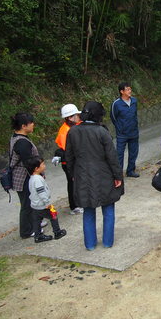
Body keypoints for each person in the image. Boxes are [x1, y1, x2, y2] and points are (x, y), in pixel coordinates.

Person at [66, 101, 124, 250]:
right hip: (104, 175)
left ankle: (90, 245)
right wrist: (118, 176)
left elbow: (69, 157)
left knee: (88, 209)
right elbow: (112, 157)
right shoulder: (101, 131)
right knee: (108, 209)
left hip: (82, 175)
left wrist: (73, 175)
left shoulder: (72, 132)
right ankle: (107, 242)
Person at [9, 113, 40, 239]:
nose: (33, 125)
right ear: (23, 126)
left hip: (21, 176)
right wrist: (37, 175)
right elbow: (28, 162)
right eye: (31, 123)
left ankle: (33, 224)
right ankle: (26, 231)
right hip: (23, 178)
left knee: (30, 201)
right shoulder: (22, 142)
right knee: (27, 204)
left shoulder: (16, 137)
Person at [25, 156, 67, 243]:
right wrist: (47, 203)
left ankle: (38, 236)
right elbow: (41, 192)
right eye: (43, 164)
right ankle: (57, 232)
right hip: (42, 205)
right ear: (36, 168)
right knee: (53, 216)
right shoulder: (38, 180)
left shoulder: (31, 178)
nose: (44, 166)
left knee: (37, 221)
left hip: (35, 205)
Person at [53, 104, 84, 214]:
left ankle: (78, 203)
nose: (78, 117)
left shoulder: (71, 127)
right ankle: (74, 206)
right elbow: (70, 149)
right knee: (73, 182)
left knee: (76, 182)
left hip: (73, 160)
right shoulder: (65, 131)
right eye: (76, 115)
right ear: (70, 117)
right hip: (69, 161)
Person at [110, 82, 140, 178]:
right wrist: (120, 127)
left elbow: (135, 115)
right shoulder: (116, 104)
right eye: (127, 89)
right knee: (119, 154)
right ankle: (118, 174)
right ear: (121, 91)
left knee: (133, 152)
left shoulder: (134, 101)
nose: (129, 91)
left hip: (134, 132)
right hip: (122, 134)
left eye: (130, 89)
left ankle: (130, 171)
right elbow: (113, 117)